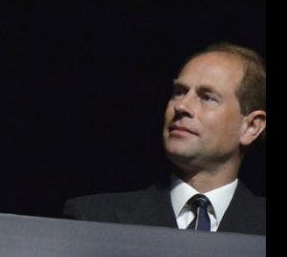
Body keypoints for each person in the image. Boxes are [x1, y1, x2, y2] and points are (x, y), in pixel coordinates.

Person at [63, 42, 266, 235]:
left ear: (251, 127)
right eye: (179, 92)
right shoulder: (93, 219)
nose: (181, 106)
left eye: (207, 97)